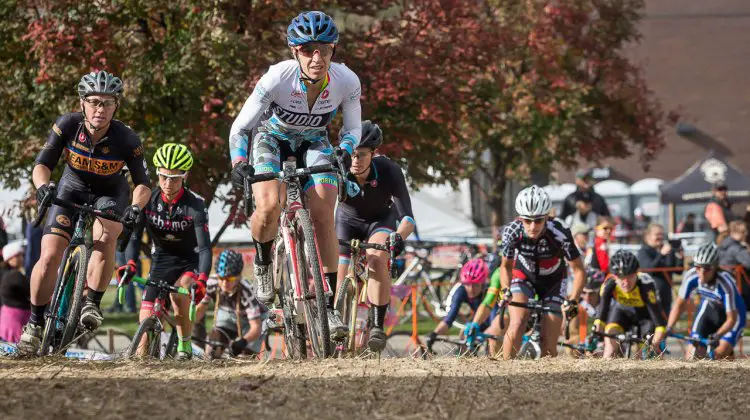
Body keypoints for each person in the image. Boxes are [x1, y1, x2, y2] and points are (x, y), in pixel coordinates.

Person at [228, 11, 362, 341]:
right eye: (307, 50)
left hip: (315, 140)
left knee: (323, 213)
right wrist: (238, 162)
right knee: (270, 205)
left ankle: (328, 306)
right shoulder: (276, 78)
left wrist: (345, 148)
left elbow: (354, 126)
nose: (317, 58)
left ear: (333, 50)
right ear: (294, 51)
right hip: (271, 139)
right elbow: (241, 127)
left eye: (324, 49)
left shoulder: (346, 81)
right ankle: (262, 262)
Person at [17, 70, 152, 355]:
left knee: (107, 237)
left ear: (117, 106)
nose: (99, 109)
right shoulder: (67, 124)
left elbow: (142, 184)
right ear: (82, 103)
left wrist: (136, 207)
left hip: (110, 194)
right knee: (50, 255)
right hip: (71, 188)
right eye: (93, 101)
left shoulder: (127, 139)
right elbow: (42, 164)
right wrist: (42, 187)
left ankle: (91, 302)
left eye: (107, 103)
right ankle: (34, 323)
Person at [118, 143, 211, 360]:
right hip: (161, 259)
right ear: (157, 175)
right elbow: (134, 236)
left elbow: (205, 248)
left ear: (185, 176)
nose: (168, 184)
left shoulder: (195, 205)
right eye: (163, 177)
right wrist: (130, 263)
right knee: (144, 322)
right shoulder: (148, 199)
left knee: (179, 294)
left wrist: (203, 280)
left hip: (190, 260)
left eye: (175, 178)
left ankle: (184, 347)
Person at [335, 121, 414, 351]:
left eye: (361, 155)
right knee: (338, 275)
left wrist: (398, 237)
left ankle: (377, 325)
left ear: (373, 153)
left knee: (377, 257)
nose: (355, 161)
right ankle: (334, 322)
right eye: (351, 155)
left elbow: (407, 218)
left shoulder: (390, 171)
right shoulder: (337, 169)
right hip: (346, 222)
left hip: (379, 222)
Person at [497, 185, 586, 359]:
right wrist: (504, 290)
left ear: (547, 217)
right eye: (527, 220)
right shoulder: (511, 231)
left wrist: (573, 300)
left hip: (553, 281)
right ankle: (504, 373)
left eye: (538, 220)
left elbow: (579, 270)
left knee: (548, 341)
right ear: (520, 218)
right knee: (517, 323)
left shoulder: (560, 232)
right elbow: (506, 266)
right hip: (524, 277)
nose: (532, 226)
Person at [667, 242, 746, 359]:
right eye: (698, 267)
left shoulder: (725, 283)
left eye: (707, 268)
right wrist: (669, 327)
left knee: (718, 354)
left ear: (715, 267)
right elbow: (679, 304)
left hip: (734, 317)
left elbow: (731, 319)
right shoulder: (691, 276)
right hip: (709, 310)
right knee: (691, 355)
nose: (702, 272)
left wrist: (718, 335)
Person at [594, 251, 667, 358]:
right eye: (621, 277)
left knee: (649, 352)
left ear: (637, 273)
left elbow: (659, 324)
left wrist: (655, 344)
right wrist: (597, 335)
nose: (626, 282)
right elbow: (601, 316)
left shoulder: (646, 285)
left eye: (630, 276)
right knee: (609, 345)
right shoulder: (608, 284)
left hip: (645, 316)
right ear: (614, 276)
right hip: (622, 312)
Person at [196, 250, 268, 359]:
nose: (225, 283)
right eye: (222, 278)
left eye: (230, 279)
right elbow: (200, 311)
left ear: (238, 276)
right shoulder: (212, 283)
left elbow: (255, 327)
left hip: (255, 321)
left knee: (243, 357)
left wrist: (243, 342)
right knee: (212, 347)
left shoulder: (246, 292)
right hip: (228, 313)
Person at [426, 259, 494, 352]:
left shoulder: (490, 291)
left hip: (493, 319)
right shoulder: (460, 291)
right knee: (464, 334)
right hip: (479, 320)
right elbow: (449, 318)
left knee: (491, 342)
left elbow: (494, 322)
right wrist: (434, 334)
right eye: (467, 284)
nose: (471, 289)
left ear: (482, 283)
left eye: (475, 285)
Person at [636, 223, 682, 313]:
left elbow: (678, 271)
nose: (660, 237)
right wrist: (661, 255)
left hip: (666, 294)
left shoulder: (667, 250)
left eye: (662, 234)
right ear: (648, 236)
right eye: (657, 234)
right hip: (650, 294)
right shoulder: (644, 251)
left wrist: (680, 257)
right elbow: (649, 270)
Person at [0, 241, 30, 343]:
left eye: (21, 255)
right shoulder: (13, 275)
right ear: (10, 259)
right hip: (15, 318)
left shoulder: (9, 274)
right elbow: (30, 289)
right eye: (18, 255)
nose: (21, 258)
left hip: (9, 316)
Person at [717, 220, 750, 310]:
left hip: (723, 282)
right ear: (738, 232)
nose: (746, 234)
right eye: (744, 232)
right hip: (739, 286)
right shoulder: (736, 248)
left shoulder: (722, 245)